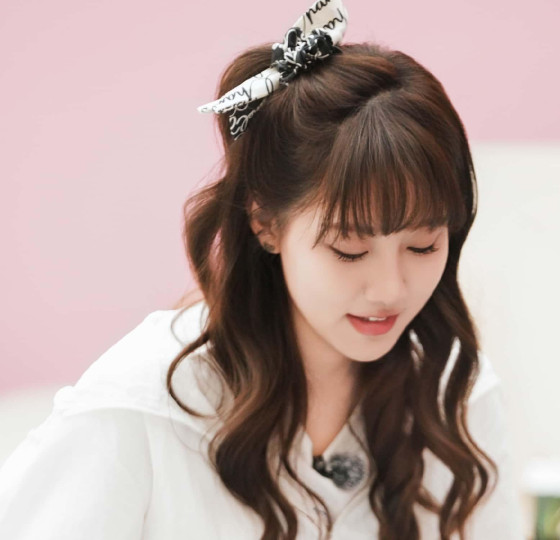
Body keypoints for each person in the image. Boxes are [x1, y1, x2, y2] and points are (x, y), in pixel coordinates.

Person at [0, 0, 524, 538]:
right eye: (348, 250)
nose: (390, 289)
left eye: (423, 246)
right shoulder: (147, 401)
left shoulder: (455, 394)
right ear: (265, 223)